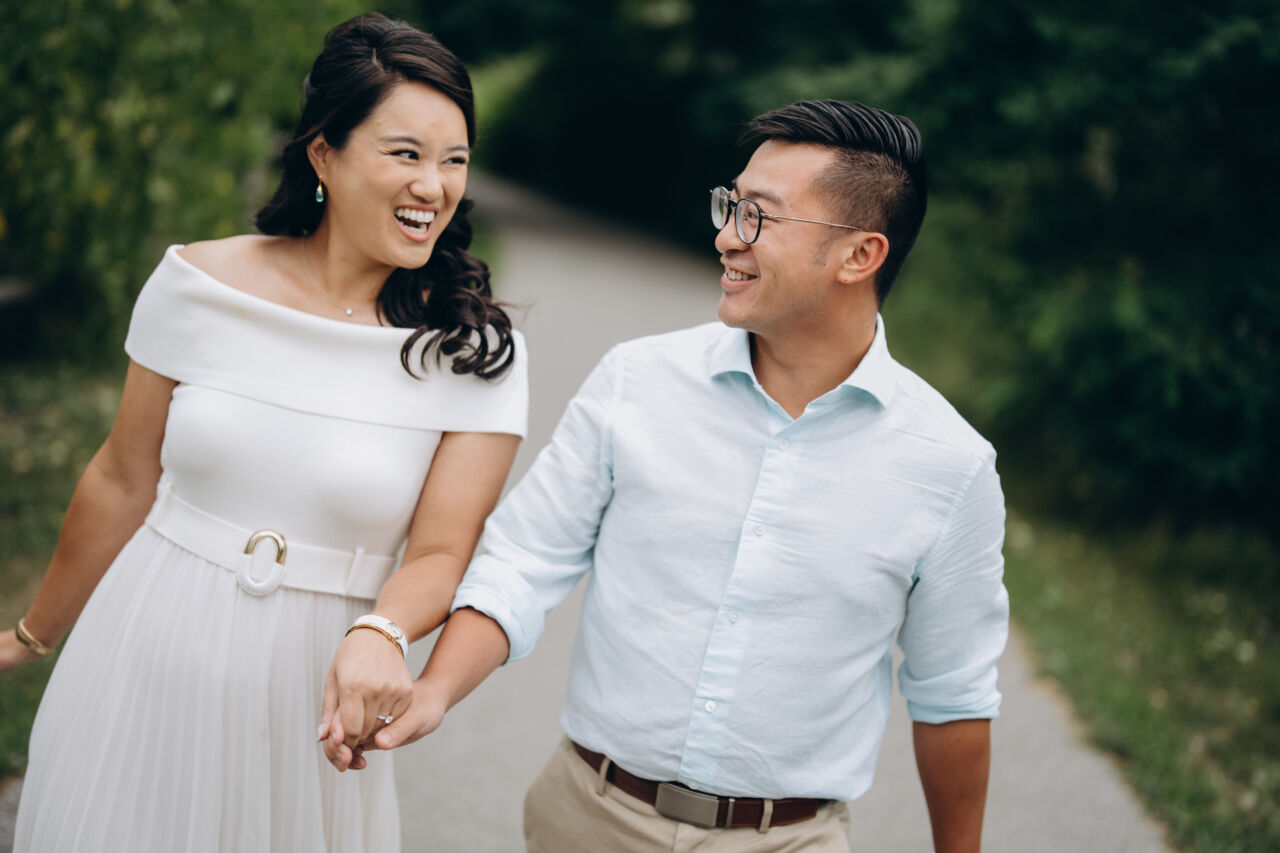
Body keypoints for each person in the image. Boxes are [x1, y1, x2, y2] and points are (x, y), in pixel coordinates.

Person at [357, 99, 1009, 853]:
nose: (726, 235)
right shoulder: (636, 380)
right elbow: (524, 560)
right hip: (588, 818)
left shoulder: (949, 466)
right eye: (731, 204)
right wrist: (435, 689)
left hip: (787, 840)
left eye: (759, 216)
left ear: (859, 255)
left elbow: (953, 695)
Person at [2, 13, 526, 852]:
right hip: (140, 649)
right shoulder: (198, 283)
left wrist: (383, 631)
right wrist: (32, 635)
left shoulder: (472, 353)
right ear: (324, 154)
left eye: (454, 160)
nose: (434, 186)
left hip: (308, 698)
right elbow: (122, 477)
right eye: (406, 154)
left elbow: (439, 552)